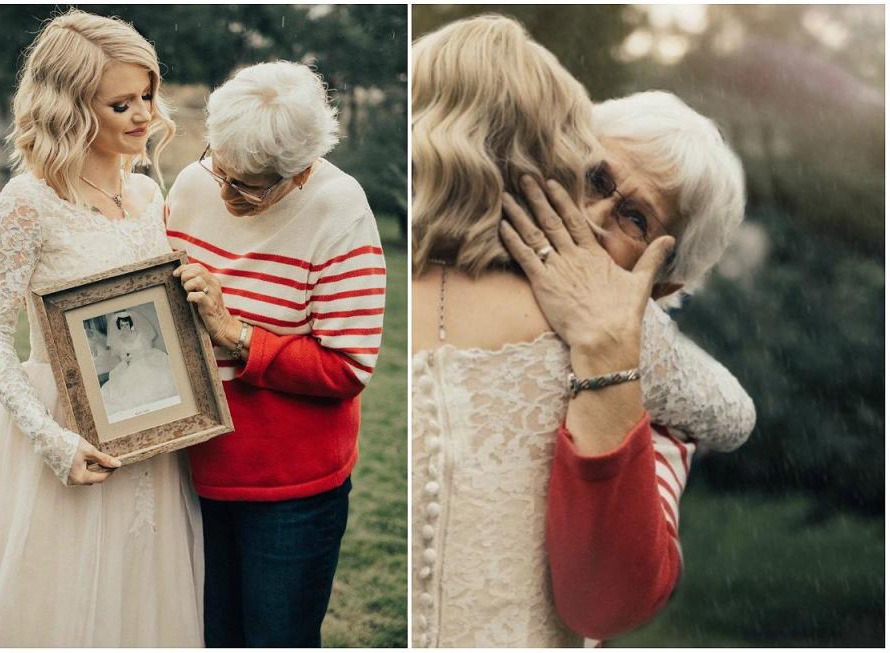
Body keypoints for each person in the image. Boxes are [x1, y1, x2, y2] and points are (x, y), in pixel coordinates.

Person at [410, 15, 754, 647]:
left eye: (633, 217)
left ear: (664, 286)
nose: (594, 218)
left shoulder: (667, 413)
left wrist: (608, 350)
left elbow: (605, 603)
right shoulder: (446, 257)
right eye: (594, 177)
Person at [0, 10, 203, 646]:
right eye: (121, 103)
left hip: (153, 437)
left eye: (147, 96)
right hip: (59, 432)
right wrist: (50, 437)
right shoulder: (28, 202)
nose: (142, 115)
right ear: (72, 109)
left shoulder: (146, 196)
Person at [165, 61, 386, 647]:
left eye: (253, 184)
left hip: (288, 491)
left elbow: (348, 367)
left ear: (303, 168)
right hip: (187, 468)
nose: (227, 194)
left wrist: (236, 335)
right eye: (222, 169)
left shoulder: (341, 209)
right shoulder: (193, 184)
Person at [99, 310, 179, 419]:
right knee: (124, 383)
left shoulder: (139, 334)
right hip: (129, 363)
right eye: (122, 325)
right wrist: (126, 358)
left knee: (153, 375)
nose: (124, 327)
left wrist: (136, 355)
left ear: (130, 324)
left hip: (144, 359)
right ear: (119, 326)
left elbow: (147, 349)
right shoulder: (119, 339)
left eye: (126, 324)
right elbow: (122, 354)